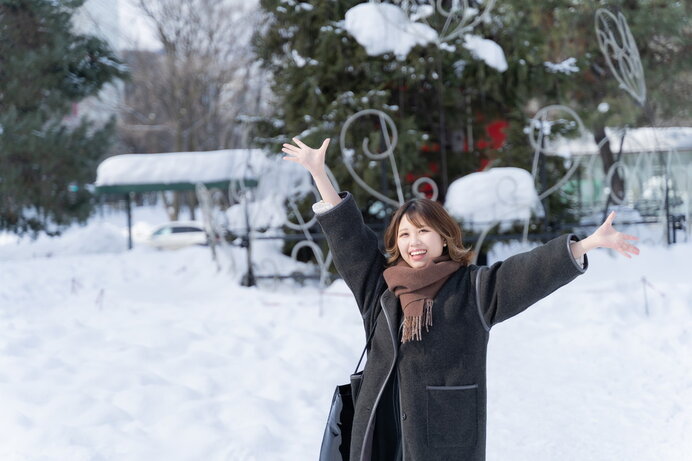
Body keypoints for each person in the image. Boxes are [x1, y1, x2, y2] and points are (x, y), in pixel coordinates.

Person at [282, 137, 639, 461]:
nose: (414, 242)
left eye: (423, 231)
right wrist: (319, 173)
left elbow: (527, 272)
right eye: (404, 234)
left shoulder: (473, 289)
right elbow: (349, 239)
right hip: (382, 429)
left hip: (442, 436)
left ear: (443, 237)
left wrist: (586, 244)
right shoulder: (381, 288)